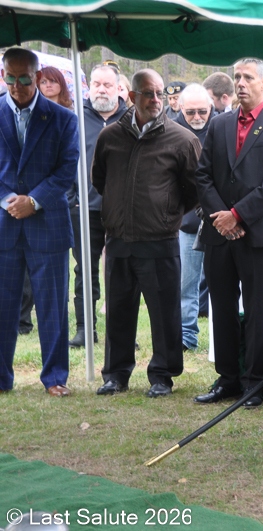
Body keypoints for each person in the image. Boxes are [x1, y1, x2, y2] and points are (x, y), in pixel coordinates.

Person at [92, 68, 201, 398]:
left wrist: (166, 213)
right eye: (148, 93)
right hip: (119, 238)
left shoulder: (183, 140)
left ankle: (162, 375)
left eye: (159, 93)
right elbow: (101, 180)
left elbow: (194, 190)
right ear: (131, 96)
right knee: (118, 310)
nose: (155, 99)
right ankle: (116, 374)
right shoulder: (110, 137)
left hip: (159, 240)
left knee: (165, 312)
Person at [194, 58, 263, 409]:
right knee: (221, 307)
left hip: (259, 235)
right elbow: (202, 175)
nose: (240, 83)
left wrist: (237, 215)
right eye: (237, 76)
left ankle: (253, 381)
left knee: (256, 309)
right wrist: (221, 218)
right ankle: (227, 378)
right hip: (219, 233)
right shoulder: (219, 124)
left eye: (247, 77)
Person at [0, 47, 79, 396]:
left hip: (48, 225)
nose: (17, 86)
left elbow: (67, 169)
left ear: (37, 76)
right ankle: (1, 378)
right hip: (4, 224)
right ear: (3, 75)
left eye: (24, 78)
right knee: (2, 306)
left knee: (52, 307)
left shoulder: (63, 119)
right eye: (10, 78)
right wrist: (10, 201)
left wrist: (33, 201)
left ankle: (55, 377)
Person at [67, 63, 128, 348]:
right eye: (96, 84)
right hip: (84, 209)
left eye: (107, 85)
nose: (101, 90)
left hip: (123, 212)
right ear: (88, 86)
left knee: (121, 272)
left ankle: (121, 333)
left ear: (118, 88)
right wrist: (71, 199)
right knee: (85, 272)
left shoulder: (131, 119)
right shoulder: (75, 119)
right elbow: (64, 161)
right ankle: (85, 329)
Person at [174, 83, 217, 351]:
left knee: (221, 284)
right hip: (187, 220)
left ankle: (221, 337)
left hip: (220, 217)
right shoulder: (171, 131)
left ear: (211, 107)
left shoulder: (221, 128)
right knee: (186, 284)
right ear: (180, 108)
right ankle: (186, 335)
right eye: (191, 112)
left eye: (203, 111)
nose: (197, 117)